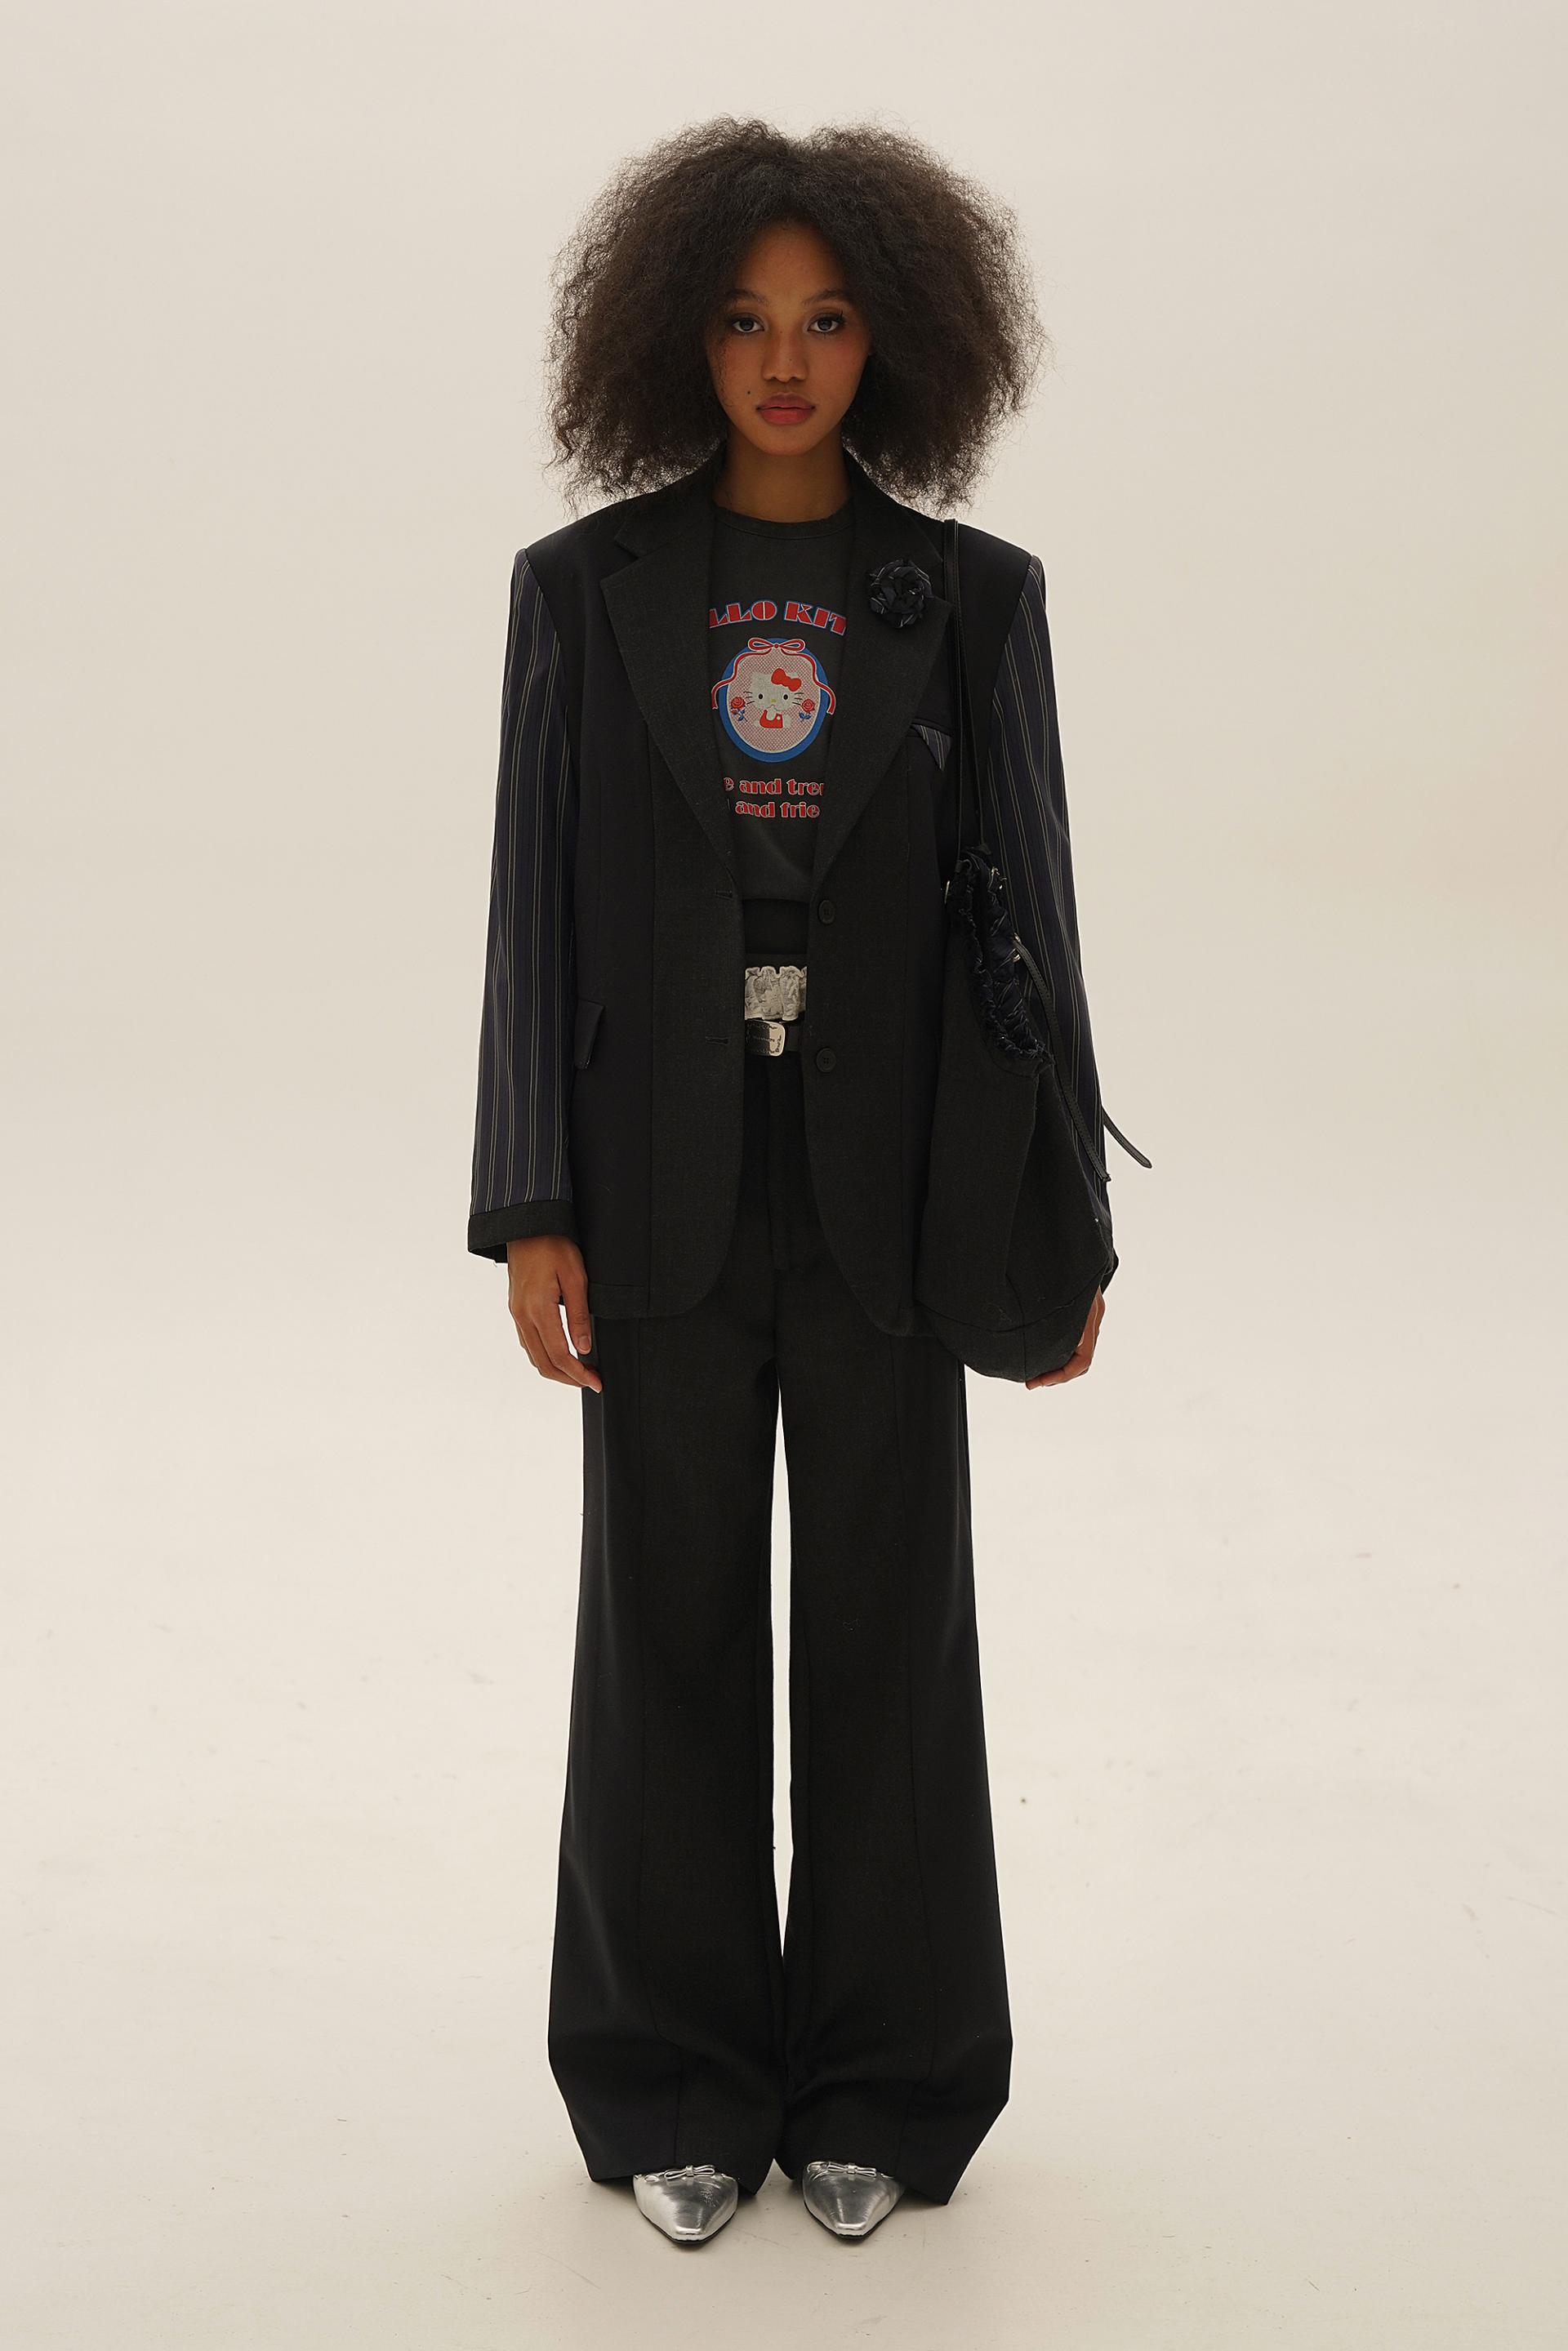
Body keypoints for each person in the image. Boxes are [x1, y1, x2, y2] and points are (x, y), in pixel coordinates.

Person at [467, 118, 1136, 2246]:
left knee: (889, 1627)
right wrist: (531, 1199)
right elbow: (533, 908)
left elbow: (1037, 914)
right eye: (747, 320)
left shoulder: (974, 599)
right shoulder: (582, 593)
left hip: (898, 1184)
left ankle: (890, 2084)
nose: (785, 360)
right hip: (655, 1179)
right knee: (659, 1624)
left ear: (896, 337)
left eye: (830, 319)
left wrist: (1064, 1217)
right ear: (676, 336)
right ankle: (668, 2079)